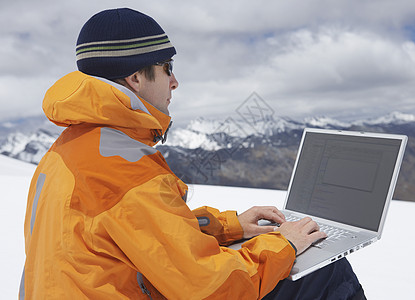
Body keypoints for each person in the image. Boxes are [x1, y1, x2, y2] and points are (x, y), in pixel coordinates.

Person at [19, 8, 366, 299]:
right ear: (137, 77)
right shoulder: (122, 170)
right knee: (325, 273)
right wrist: (284, 245)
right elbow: (212, 288)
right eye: (167, 66)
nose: (174, 81)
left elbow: (141, 233)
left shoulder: (69, 150)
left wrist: (229, 226)